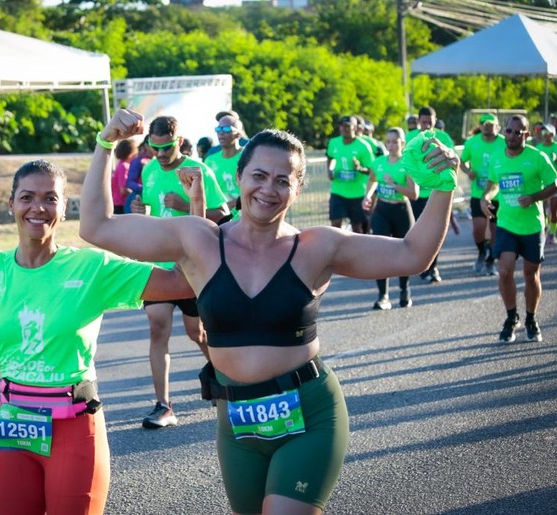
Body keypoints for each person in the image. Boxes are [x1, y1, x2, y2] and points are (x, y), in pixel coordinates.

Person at [80, 109, 458, 514]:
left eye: (283, 180)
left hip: (310, 417)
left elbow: (412, 253)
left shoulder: (318, 247)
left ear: (297, 189)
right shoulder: (197, 240)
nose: (268, 189)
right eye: (259, 175)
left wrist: (443, 186)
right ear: (239, 177)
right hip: (237, 425)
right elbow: (97, 226)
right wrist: (106, 143)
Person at [0, 130, 196, 513]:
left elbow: (183, 282)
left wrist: (197, 207)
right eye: (27, 197)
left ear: (64, 208)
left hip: (76, 426)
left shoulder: (92, 267)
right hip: (14, 423)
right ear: (10, 204)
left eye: (49, 198)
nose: (37, 208)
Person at [131, 114, 229, 428]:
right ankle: (164, 405)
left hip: (189, 265)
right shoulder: (148, 170)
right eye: (154, 147)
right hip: (159, 262)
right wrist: (138, 211)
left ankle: (227, 377)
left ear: (179, 140)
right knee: (157, 327)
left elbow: (223, 214)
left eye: (166, 147)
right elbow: (152, 210)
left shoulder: (197, 170)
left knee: (196, 332)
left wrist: (185, 204)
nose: (160, 154)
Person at [482, 114, 557, 343]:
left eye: (518, 132)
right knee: (504, 271)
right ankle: (511, 317)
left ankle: (531, 319)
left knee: (530, 274)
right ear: (504, 132)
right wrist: (486, 197)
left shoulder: (537, 157)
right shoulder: (496, 157)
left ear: (526, 134)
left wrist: (534, 197)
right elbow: (493, 183)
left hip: (532, 225)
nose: (513, 136)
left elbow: (555, 185)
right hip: (506, 223)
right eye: (509, 131)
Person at [363, 128, 419, 309]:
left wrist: (394, 185)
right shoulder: (378, 162)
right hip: (382, 210)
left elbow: (414, 193)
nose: (391, 145)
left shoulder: (407, 163)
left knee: (403, 253)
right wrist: (368, 195)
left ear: (402, 143)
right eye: (388, 141)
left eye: (395, 141)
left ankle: (404, 290)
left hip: (401, 210)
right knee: (380, 252)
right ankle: (383, 296)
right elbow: (372, 180)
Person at [409, 106, 456, 283]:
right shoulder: (410, 137)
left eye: (430, 122)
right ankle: (420, 265)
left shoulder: (443, 138)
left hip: (436, 191)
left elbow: (452, 161)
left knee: (434, 232)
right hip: (417, 194)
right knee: (417, 232)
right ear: (418, 121)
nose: (427, 125)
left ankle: (433, 267)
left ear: (435, 121)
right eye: (424, 122)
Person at [460, 113, 507, 276]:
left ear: (497, 126)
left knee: (495, 230)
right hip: (478, 193)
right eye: (483, 123)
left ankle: (490, 261)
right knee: (478, 229)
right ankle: (482, 251)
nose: (486, 126)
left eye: (490, 123)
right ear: (479, 126)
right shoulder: (472, 142)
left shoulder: (504, 141)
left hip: (499, 194)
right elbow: (461, 161)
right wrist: (468, 172)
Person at [326, 115, 375, 234]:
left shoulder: (363, 146)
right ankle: (337, 251)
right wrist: (330, 171)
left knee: (357, 228)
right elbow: (330, 157)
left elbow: (372, 170)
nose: (344, 129)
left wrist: (359, 168)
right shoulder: (334, 142)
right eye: (342, 126)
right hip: (338, 192)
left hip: (357, 194)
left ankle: (355, 252)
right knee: (335, 225)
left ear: (355, 128)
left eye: (348, 126)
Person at [205, 114, 245, 219]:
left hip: (243, 219)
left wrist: (232, 204)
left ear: (238, 135)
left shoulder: (249, 156)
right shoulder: (210, 160)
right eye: (218, 129)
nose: (221, 132)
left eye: (227, 129)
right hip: (219, 220)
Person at [535, 124, 557, 244]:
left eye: (546, 133)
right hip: (541, 184)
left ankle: (552, 233)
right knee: (542, 210)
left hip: (555, 183)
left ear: (552, 134)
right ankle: (543, 230)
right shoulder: (538, 148)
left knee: (553, 210)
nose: (543, 135)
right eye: (542, 133)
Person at [124, 136, 152, 213]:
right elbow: (129, 182)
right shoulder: (138, 161)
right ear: (146, 146)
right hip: (136, 202)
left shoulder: (157, 161)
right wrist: (147, 188)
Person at [111, 139, 138, 214]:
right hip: (120, 204)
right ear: (130, 153)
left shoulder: (120, 164)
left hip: (119, 203)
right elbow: (123, 190)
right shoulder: (124, 166)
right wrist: (135, 194)